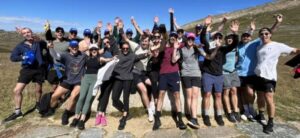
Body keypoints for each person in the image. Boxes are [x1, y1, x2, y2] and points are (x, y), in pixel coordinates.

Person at [236, 15, 283, 123]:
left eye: (248, 36)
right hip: (239, 72)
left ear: (250, 37)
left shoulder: (255, 43)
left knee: (250, 92)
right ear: (242, 37)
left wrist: (277, 23)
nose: (246, 38)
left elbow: (268, 34)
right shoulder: (239, 46)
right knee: (242, 92)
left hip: (251, 73)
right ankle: (246, 111)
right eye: (244, 36)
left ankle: (250, 109)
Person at [254, 27, 300, 134]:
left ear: (270, 34)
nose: (264, 35)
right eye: (261, 34)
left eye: (266, 33)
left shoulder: (277, 45)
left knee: (269, 99)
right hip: (258, 75)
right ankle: (260, 114)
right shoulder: (259, 46)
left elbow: (294, 50)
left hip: (269, 77)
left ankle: (270, 122)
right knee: (260, 96)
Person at [200, 17, 239, 126]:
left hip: (219, 75)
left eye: (219, 37)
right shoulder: (209, 47)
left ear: (221, 40)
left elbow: (234, 44)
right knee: (207, 94)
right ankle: (206, 115)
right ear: (212, 39)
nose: (217, 39)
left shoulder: (223, 49)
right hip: (208, 74)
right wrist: (204, 26)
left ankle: (219, 115)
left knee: (218, 95)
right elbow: (203, 38)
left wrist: (235, 33)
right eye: (216, 37)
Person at [4, 27, 48, 122]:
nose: (27, 34)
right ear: (22, 35)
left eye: (28, 32)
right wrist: (23, 57)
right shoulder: (20, 46)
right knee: (17, 90)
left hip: (39, 69)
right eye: (24, 33)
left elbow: (47, 44)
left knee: (38, 89)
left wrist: (38, 37)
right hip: (27, 69)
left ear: (32, 32)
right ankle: (18, 112)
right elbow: (13, 57)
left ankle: (38, 104)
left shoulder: (38, 42)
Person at [178, 32, 220, 128]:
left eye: (192, 39)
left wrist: (217, 48)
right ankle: (192, 117)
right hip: (186, 74)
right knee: (189, 96)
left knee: (195, 96)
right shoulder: (181, 49)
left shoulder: (197, 49)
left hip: (196, 74)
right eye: (189, 39)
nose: (190, 40)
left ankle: (193, 118)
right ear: (186, 39)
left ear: (194, 40)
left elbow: (209, 57)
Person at [42, 40, 87, 127]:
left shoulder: (83, 55)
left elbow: (93, 59)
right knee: (55, 96)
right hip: (67, 80)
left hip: (79, 81)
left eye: (76, 46)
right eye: (72, 46)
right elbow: (55, 55)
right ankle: (51, 109)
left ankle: (66, 113)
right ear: (69, 47)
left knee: (73, 96)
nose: (74, 48)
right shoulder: (65, 55)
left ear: (78, 47)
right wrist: (51, 48)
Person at [70, 44, 113, 130]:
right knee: (81, 97)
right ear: (89, 51)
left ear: (97, 50)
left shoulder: (99, 58)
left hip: (95, 80)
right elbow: (79, 52)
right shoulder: (86, 58)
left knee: (88, 99)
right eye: (92, 49)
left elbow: (107, 59)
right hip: (86, 79)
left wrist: (113, 59)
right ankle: (76, 117)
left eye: (95, 49)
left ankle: (82, 119)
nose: (94, 50)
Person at [111, 42, 150, 130]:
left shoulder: (132, 56)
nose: (125, 50)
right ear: (121, 48)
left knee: (126, 97)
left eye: (127, 48)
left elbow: (141, 56)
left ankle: (125, 116)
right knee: (114, 98)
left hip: (128, 79)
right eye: (124, 48)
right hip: (118, 78)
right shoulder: (118, 56)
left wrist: (148, 53)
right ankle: (124, 110)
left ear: (129, 49)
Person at [152, 32, 187, 130]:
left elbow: (173, 61)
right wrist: (155, 53)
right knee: (161, 94)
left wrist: (175, 48)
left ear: (176, 39)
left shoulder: (178, 49)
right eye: (171, 36)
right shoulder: (164, 48)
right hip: (163, 74)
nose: (173, 38)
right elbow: (156, 55)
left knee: (176, 95)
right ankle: (157, 119)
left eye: (175, 37)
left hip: (174, 74)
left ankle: (180, 120)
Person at [222, 34, 241, 123]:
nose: (229, 40)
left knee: (234, 91)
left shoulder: (235, 48)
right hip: (224, 72)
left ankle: (236, 111)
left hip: (233, 71)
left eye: (231, 38)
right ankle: (229, 112)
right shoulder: (223, 48)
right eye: (228, 38)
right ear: (225, 40)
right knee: (226, 91)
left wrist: (235, 32)